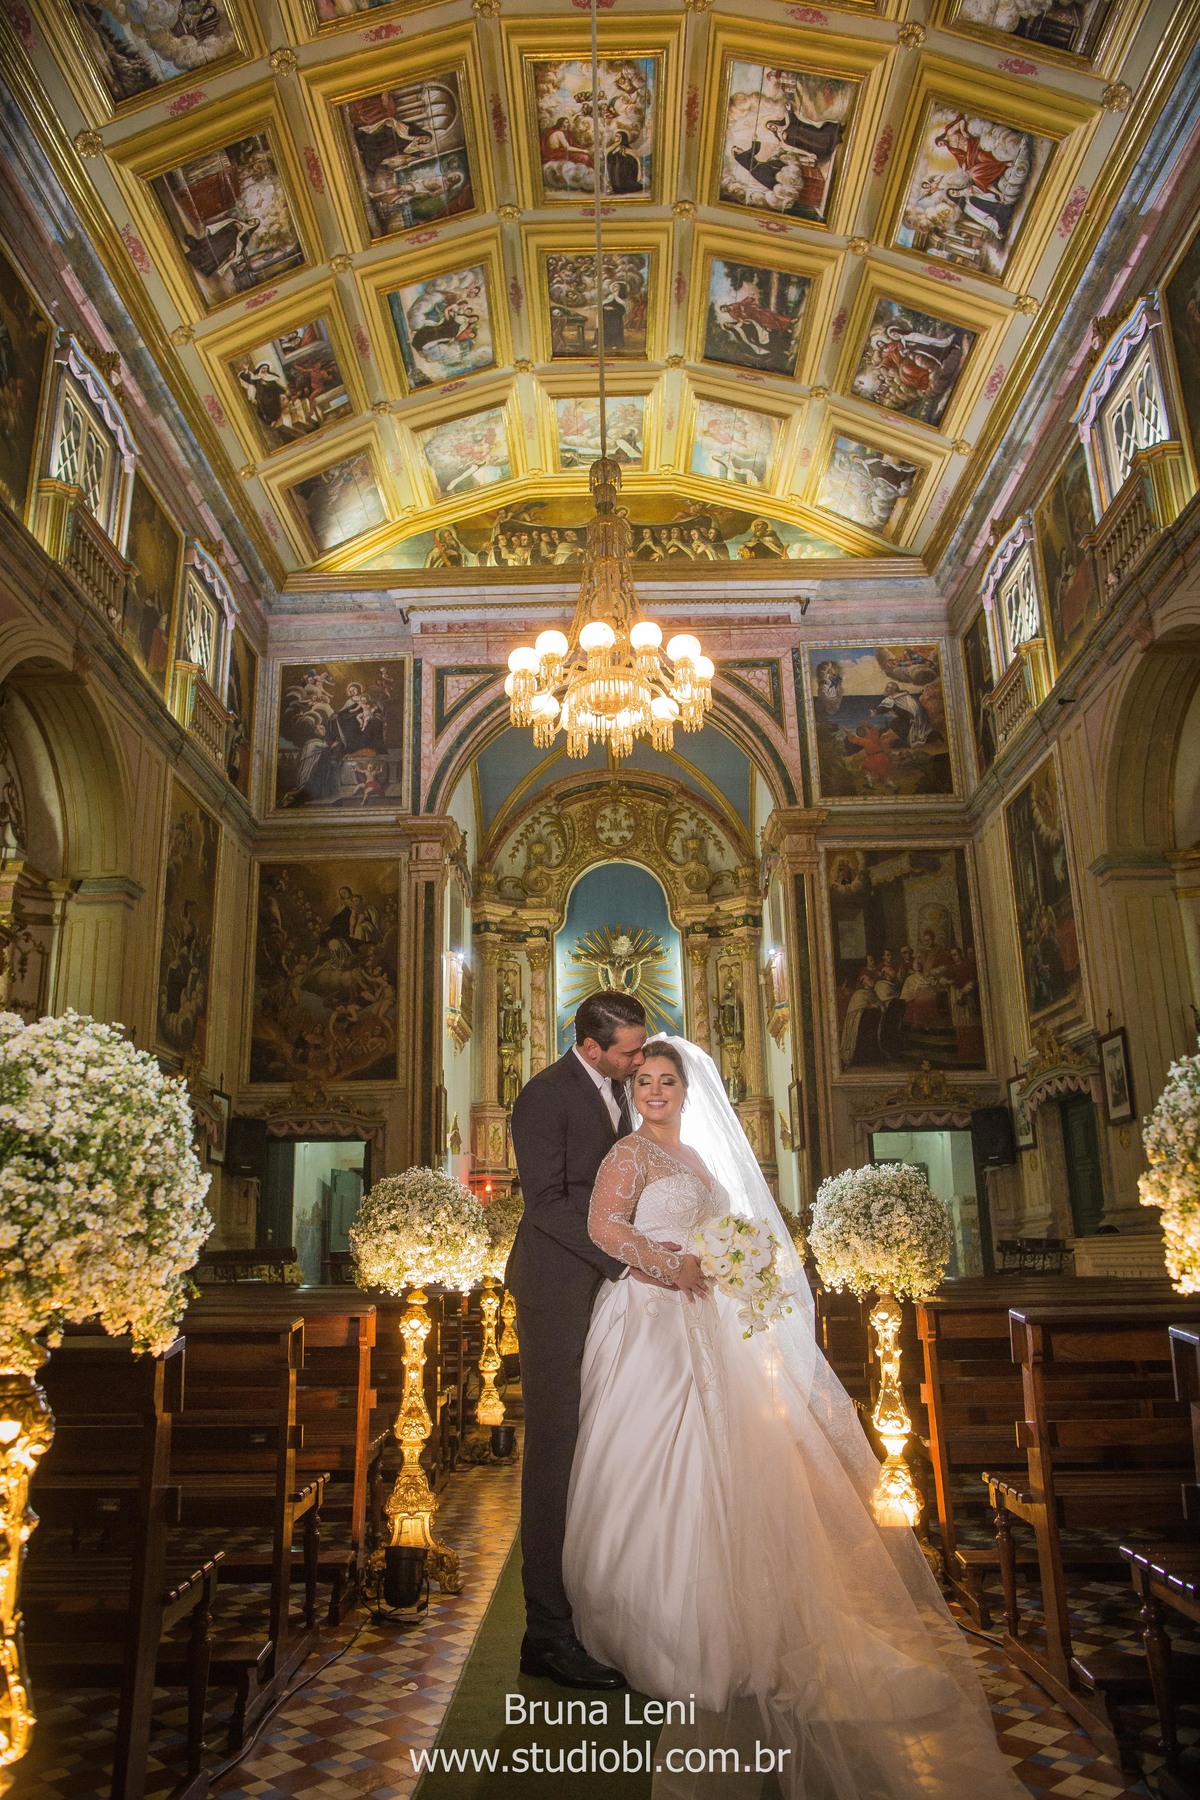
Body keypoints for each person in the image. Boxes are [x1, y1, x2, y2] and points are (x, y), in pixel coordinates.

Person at [563, 1038, 1023, 1800]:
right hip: (649, 1317)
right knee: (658, 1453)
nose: (653, 1092)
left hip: (707, 1312)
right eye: (642, 1081)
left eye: (665, 1081)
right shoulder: (628, 1156)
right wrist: (663, 1261)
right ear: (631, 1089)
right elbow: (603, 1229)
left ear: (686, 1088)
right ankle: (661, 1622)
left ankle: (735, 1614)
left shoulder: (703, 1160)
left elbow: (727, 1234)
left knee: (733, 1458)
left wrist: (733, 1268)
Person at [507, 991, 666, 1690]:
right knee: (557, 1449)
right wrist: (626, 1257)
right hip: (558, 1288)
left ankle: (610, 1605)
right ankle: (545, 1631)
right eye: (630, 1051)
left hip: (611, 1288)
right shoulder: (544, 1096)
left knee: (610, 1446)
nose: (640, 1061)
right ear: (593, 1046)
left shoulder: (622, 1091)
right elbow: (546, 1204)